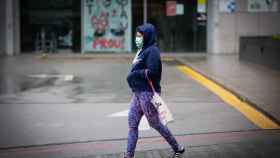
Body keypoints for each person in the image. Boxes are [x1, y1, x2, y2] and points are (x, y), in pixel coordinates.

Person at [125, 23, 185, 158]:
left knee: (155, 123)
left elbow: (152, 72)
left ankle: (177, 147)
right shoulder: (141, 50)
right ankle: (128, 155)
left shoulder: (152, 51)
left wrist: (134, 75)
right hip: (137, 93)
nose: (137, 38)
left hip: (147, 94)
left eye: (140, 36)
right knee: (132, 124)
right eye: (136, 35)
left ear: (147, 36)